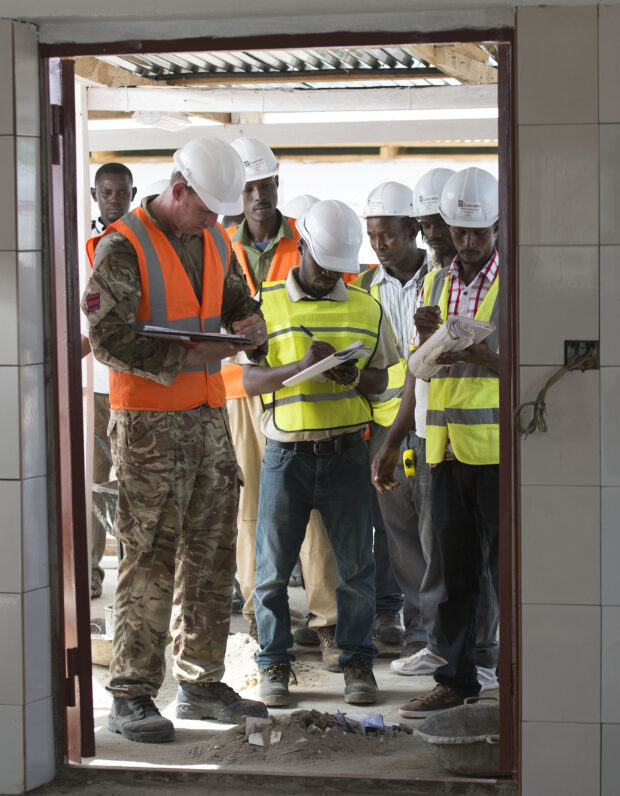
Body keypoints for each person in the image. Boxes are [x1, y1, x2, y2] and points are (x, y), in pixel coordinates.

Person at [81, 137, 269, 744]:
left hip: (208, 420)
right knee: (149, 560)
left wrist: (247, 323)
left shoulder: (213, 235)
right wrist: (195, 356)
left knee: (212, 557)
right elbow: (108, 340)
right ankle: (132, 694)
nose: (216, 222)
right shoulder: (121, 246)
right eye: (207, 209)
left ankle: (202, 682)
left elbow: (234, 297)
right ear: (178, 190)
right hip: (148, 431)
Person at [242, 199, 399, 707]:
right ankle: (274, 666)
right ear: (303, 245)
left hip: (348, 453)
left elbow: (381, 378)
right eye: (322, 262)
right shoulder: (264, 304)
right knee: (271, 571)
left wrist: (353, 374)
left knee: (356, 570)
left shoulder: (365, 307)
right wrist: (295, 370)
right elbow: (248, 380)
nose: (330, 273)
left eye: (338, 267)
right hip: (286, 456)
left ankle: (357, 665)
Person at [387, 167, 501, 717]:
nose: (470, 243)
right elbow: (419, 371)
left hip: (501, 454)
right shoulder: (433, 284)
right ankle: (455, 680)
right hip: (445, 449)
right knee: (451, 575)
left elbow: (539, 367)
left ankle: (518, 677)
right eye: (461, 232)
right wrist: (431, 338)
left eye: (479, 232)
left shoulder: (517, 282)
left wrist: (487, 357)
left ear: (499, 225)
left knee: (510, 572)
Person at [224, 137, 341, 670]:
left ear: (277, 185)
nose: (256, 196)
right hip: (242, 389)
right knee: (250, 508)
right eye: (247, 187)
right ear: (238, 192)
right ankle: (258, 612)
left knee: (313, 507)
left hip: (301, 386)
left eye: (264, 185)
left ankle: (328, 620)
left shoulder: (306, 237)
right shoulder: (216, 244)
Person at [355, 181, 429, 656]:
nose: (379, 246)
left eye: (389, 236)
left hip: (433, 423)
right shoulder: (364, 288)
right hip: (386, 426)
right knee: (398, 531)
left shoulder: (440, 278)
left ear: (414, 230)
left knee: (434, 530)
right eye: (372, 236)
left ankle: (444, 629)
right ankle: (419, 627)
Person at [87, 162, 137, 599]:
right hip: (95, 387)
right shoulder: (83, 246)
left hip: (134, 387)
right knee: (93, 483)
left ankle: (130, 574)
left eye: (122, 193)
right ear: (95, 194)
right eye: (108, 193)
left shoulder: (145, 245)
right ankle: (88, 574)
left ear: (132, 194)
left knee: (134, 488)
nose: (115, 200)